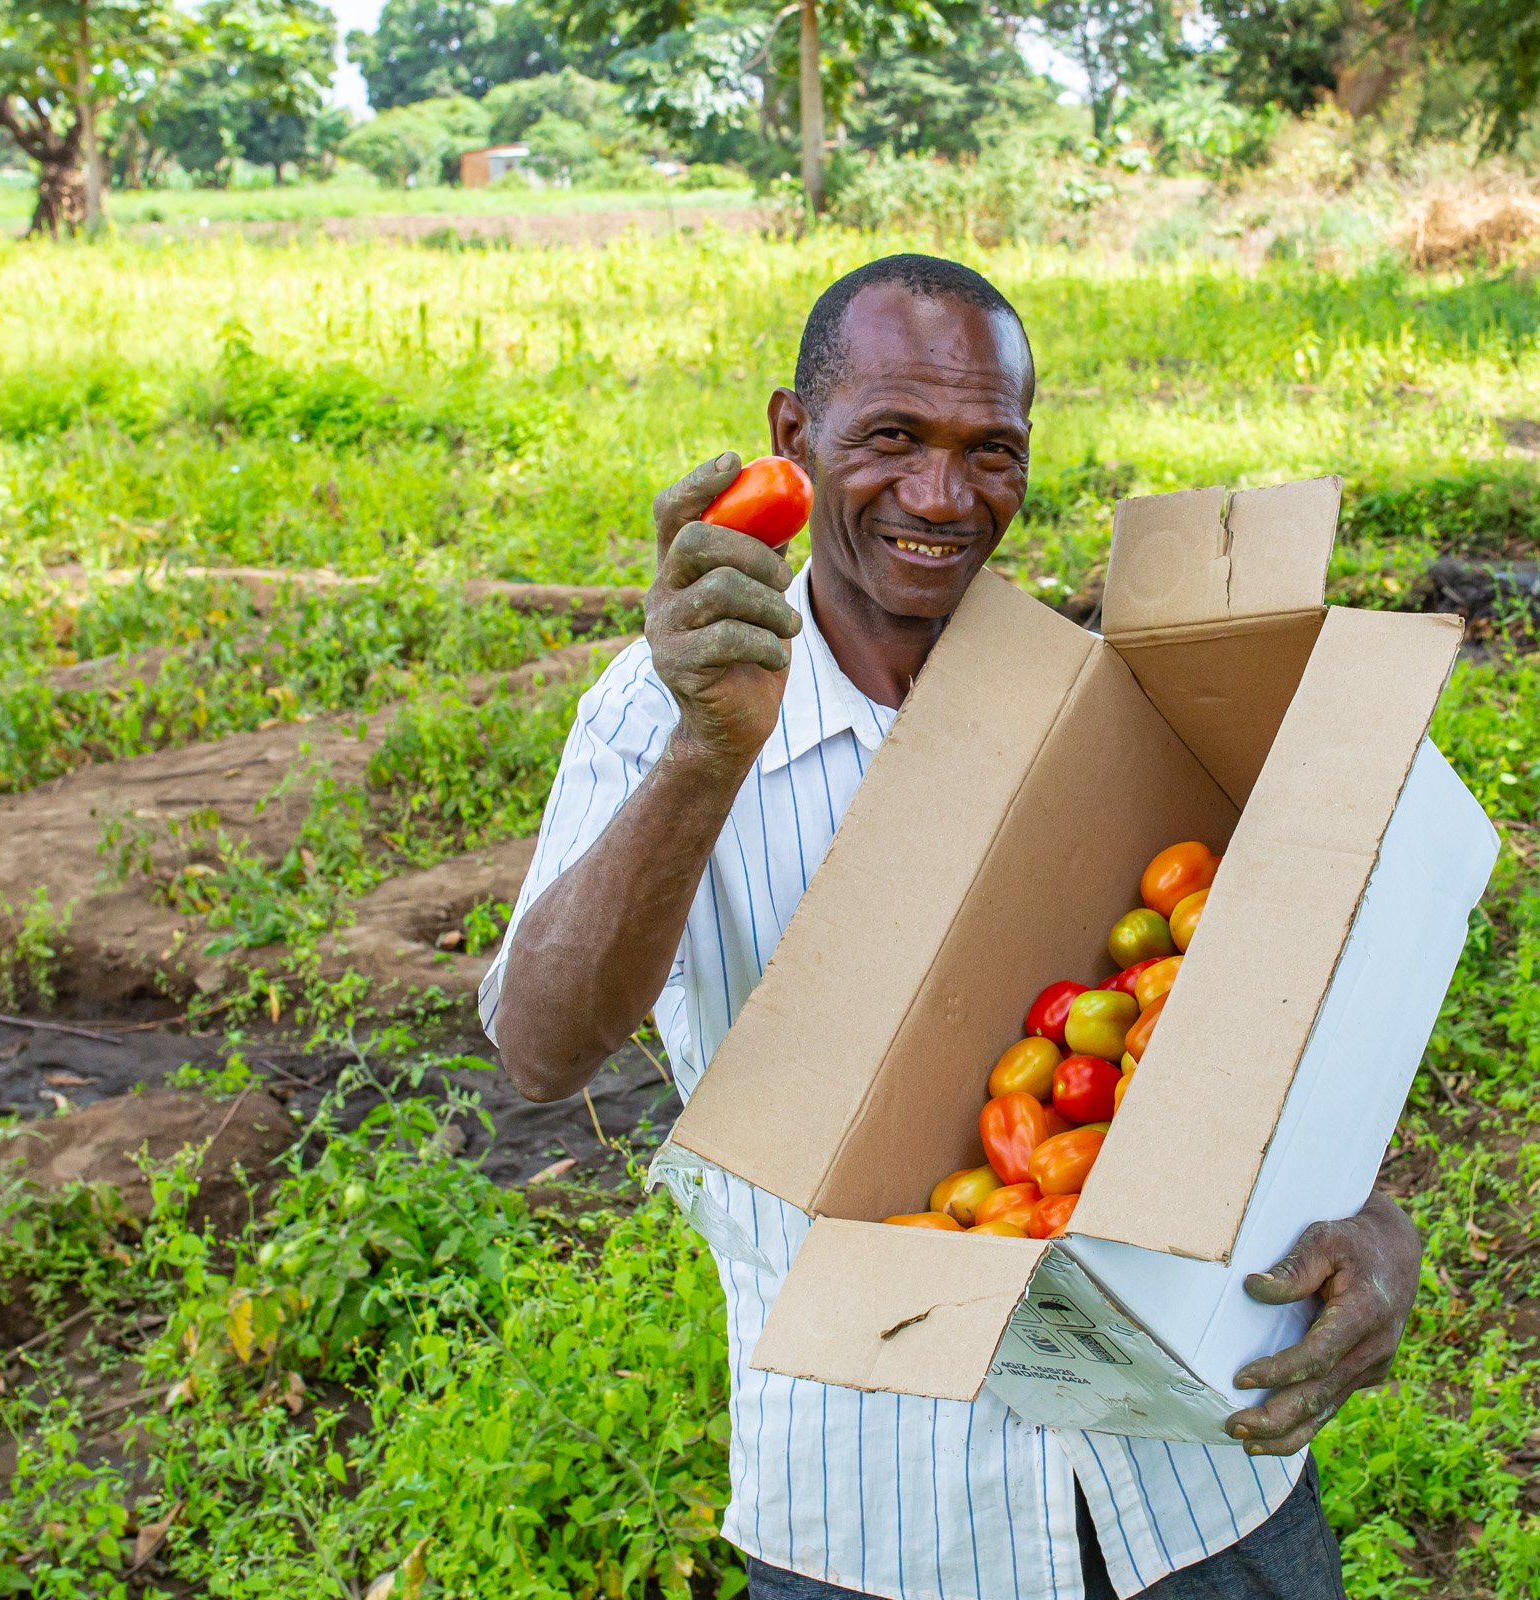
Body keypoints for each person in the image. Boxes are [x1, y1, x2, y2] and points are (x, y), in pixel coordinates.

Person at [481, 253, 1423, 1600]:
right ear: (790, 441)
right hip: (881, 1519)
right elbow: (539, 1051)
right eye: (892, 440)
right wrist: (708, 753)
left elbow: (1250, 1034)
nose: (940, 497)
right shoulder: (660, 712)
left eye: (992, 451)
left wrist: (1368, 1220)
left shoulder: (1106, 705)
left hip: (1198, 1487)